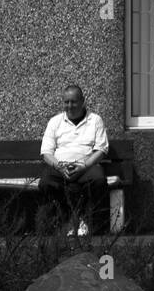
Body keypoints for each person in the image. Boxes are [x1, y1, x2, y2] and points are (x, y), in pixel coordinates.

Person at [39, 84, 111, 236]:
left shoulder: (95, 120)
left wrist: (84, 166)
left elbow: (102, 149)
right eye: (66, 102)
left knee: (98, 181)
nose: (69, 106)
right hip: (60, 167)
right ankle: (61, 222)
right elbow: (46, 152)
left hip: (87, 167)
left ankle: (94, 227)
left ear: (83, 101)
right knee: (46, 183)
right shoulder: (55, 121)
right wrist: (59, 167)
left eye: (74, 101)